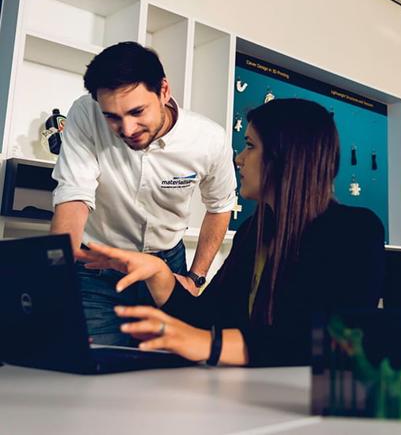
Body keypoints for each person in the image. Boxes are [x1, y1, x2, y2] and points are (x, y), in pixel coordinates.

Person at [79, 98, 385, 366]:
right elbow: (208, 318)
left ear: (286, 159)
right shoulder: (254, 232)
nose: (239, 158)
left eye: (250, 146)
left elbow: (326, 343)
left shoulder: (355, 231)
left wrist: (207, 344)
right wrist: (158, 273)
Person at [51, 42, 237, 346]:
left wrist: (196, 277)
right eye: (112, 116)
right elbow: (74, 195)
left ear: (164, 91)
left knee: (167, 369)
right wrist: (55, 274)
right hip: (98, 264)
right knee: (92, 361)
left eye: (137, 111)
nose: (126, 128)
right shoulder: (85, 114)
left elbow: (220, 206)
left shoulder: (209, 139)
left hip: (166, 269)